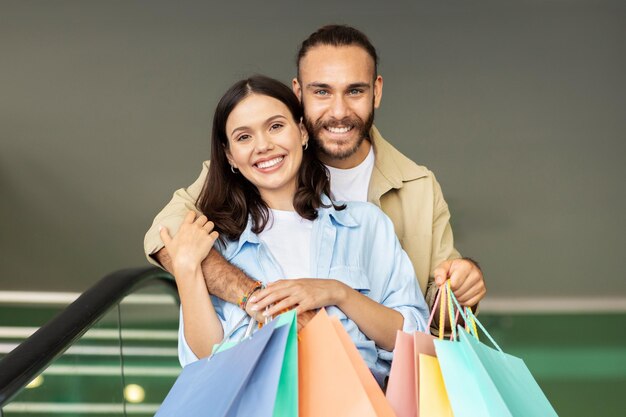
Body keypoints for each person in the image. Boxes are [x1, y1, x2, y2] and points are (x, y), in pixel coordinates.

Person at [144, 24, 486, 333]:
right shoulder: (259, 165)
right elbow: (167, 235)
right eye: (322, 91)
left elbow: (432, 322)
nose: (339, 111)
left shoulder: (418, 188)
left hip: (381, 389)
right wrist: (254, 297)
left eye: (355, 91)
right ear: (298, 92)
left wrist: (461, 290)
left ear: (376, 92)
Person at [160, 75, 429, 382]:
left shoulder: (366, 225)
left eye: (275, 126)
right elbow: (202, 361)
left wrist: (338, 293)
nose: (263, 146)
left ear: (301, 131)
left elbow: (413, 338)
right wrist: (186, 270)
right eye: (244, 137)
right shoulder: (219, 243)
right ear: (230, 156)